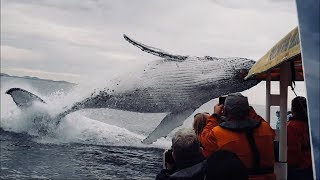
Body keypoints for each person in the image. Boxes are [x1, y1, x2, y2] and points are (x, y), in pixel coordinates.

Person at [199, 93, 276, 180]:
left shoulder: (219, 132)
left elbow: (204, 141)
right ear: (248, 111)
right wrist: (250, 111)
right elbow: (269, 131)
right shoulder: (265, 128)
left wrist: (215, 116)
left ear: (225, 111)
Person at [287, 96, 313, 180]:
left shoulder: (291, 126)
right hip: (311, 166)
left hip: (298, 170)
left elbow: (292, 151)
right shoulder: (311, 125)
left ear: (293, 109)